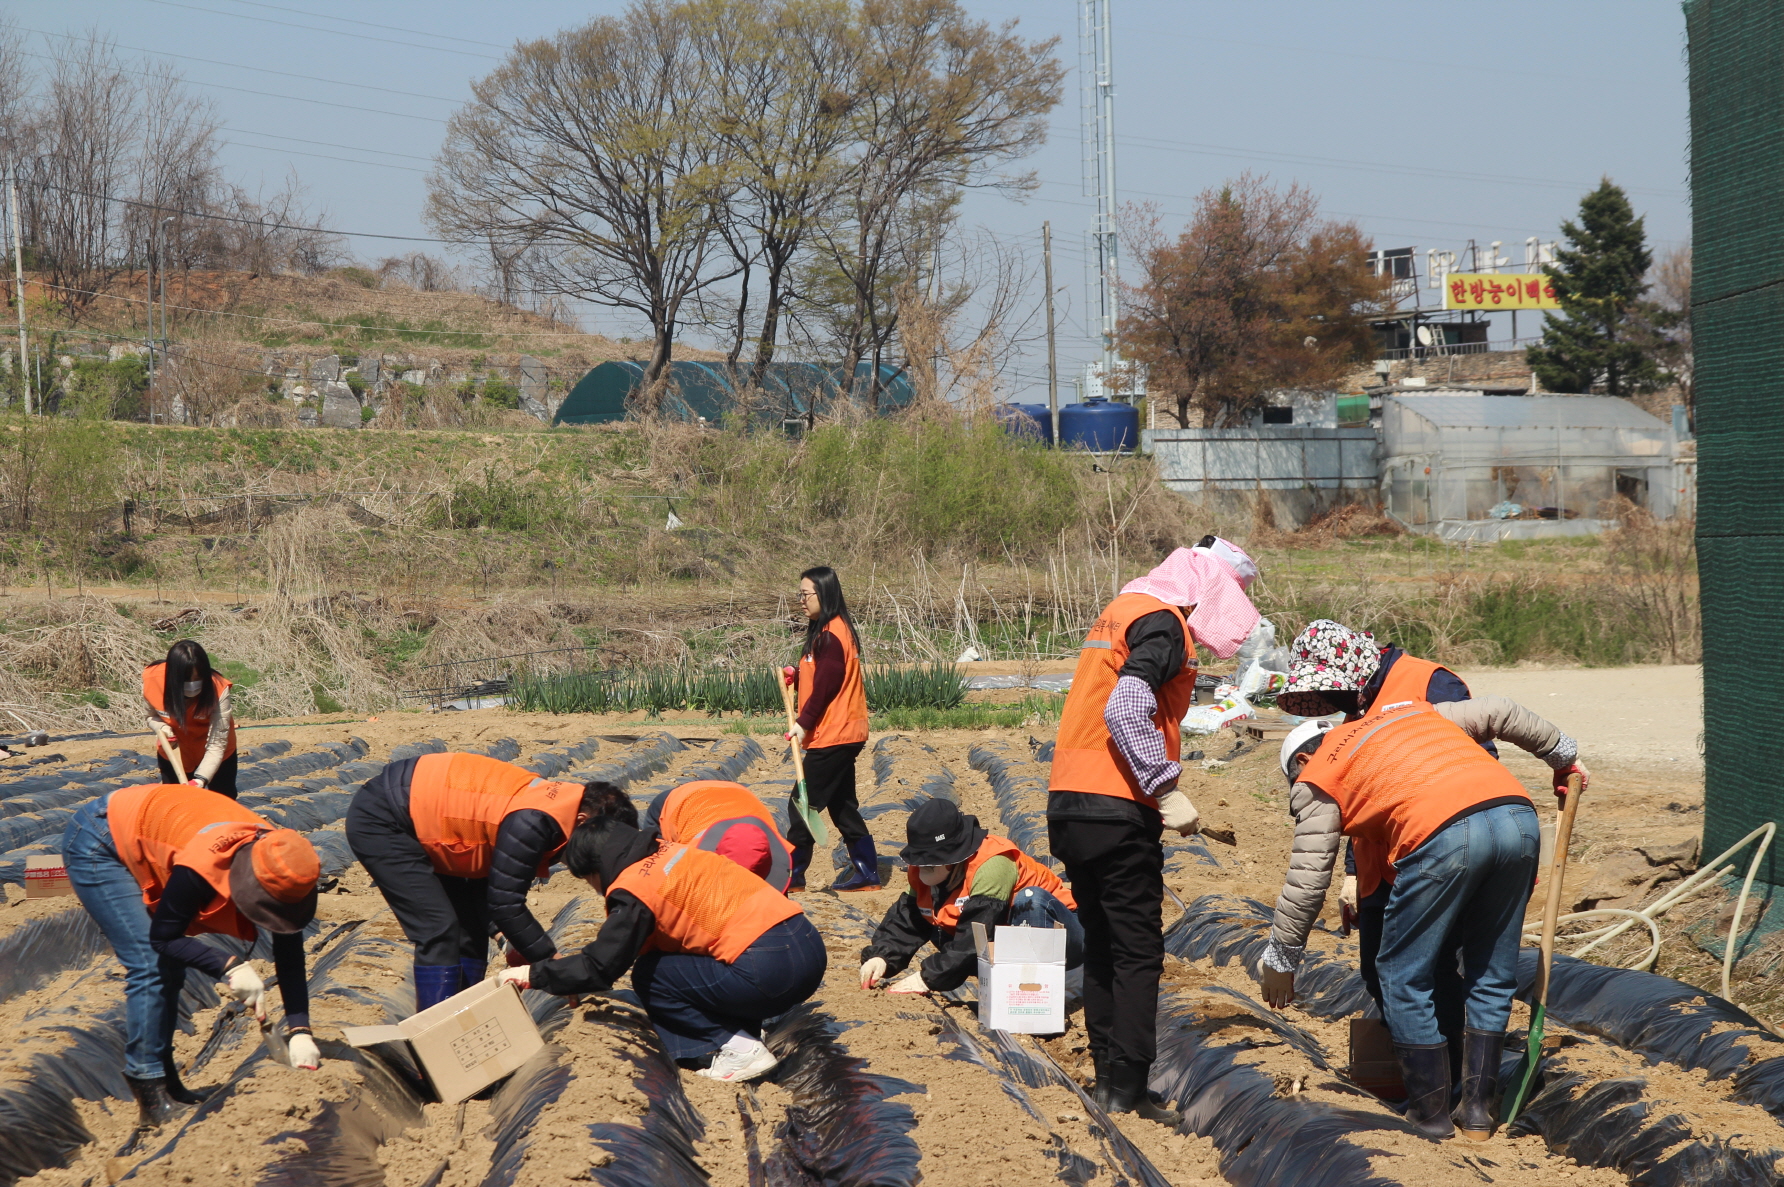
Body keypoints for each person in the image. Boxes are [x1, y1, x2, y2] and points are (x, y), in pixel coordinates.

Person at [1261, 697, 1590, 1140]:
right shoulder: (1409, 714)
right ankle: (1477, 1115)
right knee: (1491, 973)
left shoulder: (1317, 775)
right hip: (1517, 818)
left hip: (1442, 835)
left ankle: (1430, 1115)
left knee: (1401, 973)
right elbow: (1501, 711)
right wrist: (1563, 756)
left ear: (1302, 761)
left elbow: (1307, 879)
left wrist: (1282, 958)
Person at [1046, 542, 1262, 1121]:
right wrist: (1165, 788)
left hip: (1069, 801)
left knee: (1102, 944)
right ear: (1207, 589)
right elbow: (1124, 707)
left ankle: (1106, 1082)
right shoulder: (1165, 625)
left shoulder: (1123, 610)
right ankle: (1129, 1090)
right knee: (1138, 952)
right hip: (1117, 803)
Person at [1274, 619, 1524, 1079]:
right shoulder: (1357, 703)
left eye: (1328, 692)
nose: (1328, 703)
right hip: (1384, 860)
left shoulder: (1429, 683)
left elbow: (1473, 759)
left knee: (1423, 974)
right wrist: (1353, 872)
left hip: (1437, 849)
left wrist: (1283, 954)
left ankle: (1443, 1090)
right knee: (1380, 972)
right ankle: (1428, 1083)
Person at [61, 782, 321, 1127]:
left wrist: (300, 1029)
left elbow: (289, 952)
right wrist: (228, 966)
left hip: (160, 824)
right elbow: (163, 937)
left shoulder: (284, 860)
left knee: (171, 968)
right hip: (102, 837)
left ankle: (169, 1082)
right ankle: (149, 1088)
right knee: (151, 963)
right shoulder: (202, 865)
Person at [503, 814, 827, 1083]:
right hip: (807, 947)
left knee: (651, 976)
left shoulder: (634, 888)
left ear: (596, 869)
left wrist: (535, 975)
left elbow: (601, 967)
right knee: (680, 958)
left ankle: (739, 1048)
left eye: (589, 880)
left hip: (769, 970)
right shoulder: (672, 851)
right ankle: (745, 1031)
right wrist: (568, 975)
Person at [345, 750, 635, 1011]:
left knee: (470, 930)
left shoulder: (554, 808)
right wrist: (551, 963)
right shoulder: (533, 821)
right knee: (438, 929)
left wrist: (508, 937)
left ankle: (466, 1019)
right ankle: (438, 1034)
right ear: (583, 820)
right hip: (386, 817)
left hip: (435, 825)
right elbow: (505, 903)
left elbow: (491, 884)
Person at [859, 798, 1081, 995]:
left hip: (1065, 933)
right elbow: (909, 918)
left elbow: (977, 932)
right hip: (1009, 939)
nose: (921, 868)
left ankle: (1034, 997)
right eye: (920, 861)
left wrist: (928, 978)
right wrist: (882, 957)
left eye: (930, 862)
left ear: (954, 857)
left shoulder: (992, 864)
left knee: (1029, 899)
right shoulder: (921, 872)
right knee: (943, 926)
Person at [785, 565, 874, 892]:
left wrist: (802, 724)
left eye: (805, 594)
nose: (802, 601)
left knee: (801, 804)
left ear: (823, 593)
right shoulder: (829, 631)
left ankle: (793, 875)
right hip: (843, 733)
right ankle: (868, 873)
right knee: (842, 806)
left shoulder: (831, 636)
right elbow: (821, 675)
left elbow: (827, 687)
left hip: (834, 734)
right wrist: (798, 674)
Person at [644, 779, 794, 892]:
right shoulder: (693, 852)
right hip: (680, 800)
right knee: (657, 873)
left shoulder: (770, 846)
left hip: (736, 793)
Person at [143, 640, 239, 798]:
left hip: (216, 755)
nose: (193, 684)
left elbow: (217, 743)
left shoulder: (218, 689)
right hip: (175, 752)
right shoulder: (154, 680)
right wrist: (162, 728)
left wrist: (201, 779)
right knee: (176, 801)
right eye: (187, 679)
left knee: (223, 799)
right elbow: (151, 716)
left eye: (198, 678)